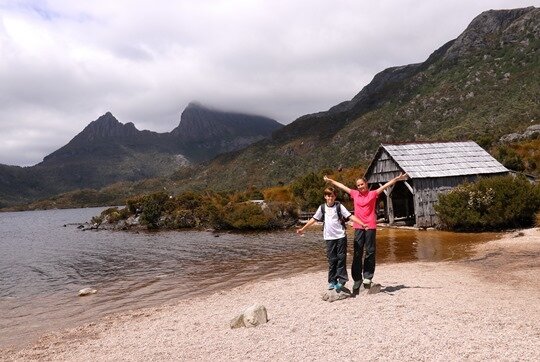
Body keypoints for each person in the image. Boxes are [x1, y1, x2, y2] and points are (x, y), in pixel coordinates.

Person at [324, 172, 408, 293]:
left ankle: (368, 277)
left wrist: (396, 179)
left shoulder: (373, 194)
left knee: (370, 251)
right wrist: (330, 181)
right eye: (358, 185)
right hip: (358, 226)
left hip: (370, 226)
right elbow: (342, 186)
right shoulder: (354, 194)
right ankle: (357, 279)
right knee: (358, 253)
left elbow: (386, 186)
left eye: (362, 184)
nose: (360, 187)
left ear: (366, 184)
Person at [296, 187, 365, 291]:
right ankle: (332, 281)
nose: (330, 198)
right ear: (325, 197)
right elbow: (314, 219)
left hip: (341, 236)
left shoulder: (339, 206)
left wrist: (362, 223)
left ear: (335, 196)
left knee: (341, 259)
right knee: (332, 260)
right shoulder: (322, 208)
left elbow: (350, 216)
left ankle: (342, 280)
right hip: (329, 237)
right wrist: (303, 229)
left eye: (332, 196)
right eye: (328, 196)